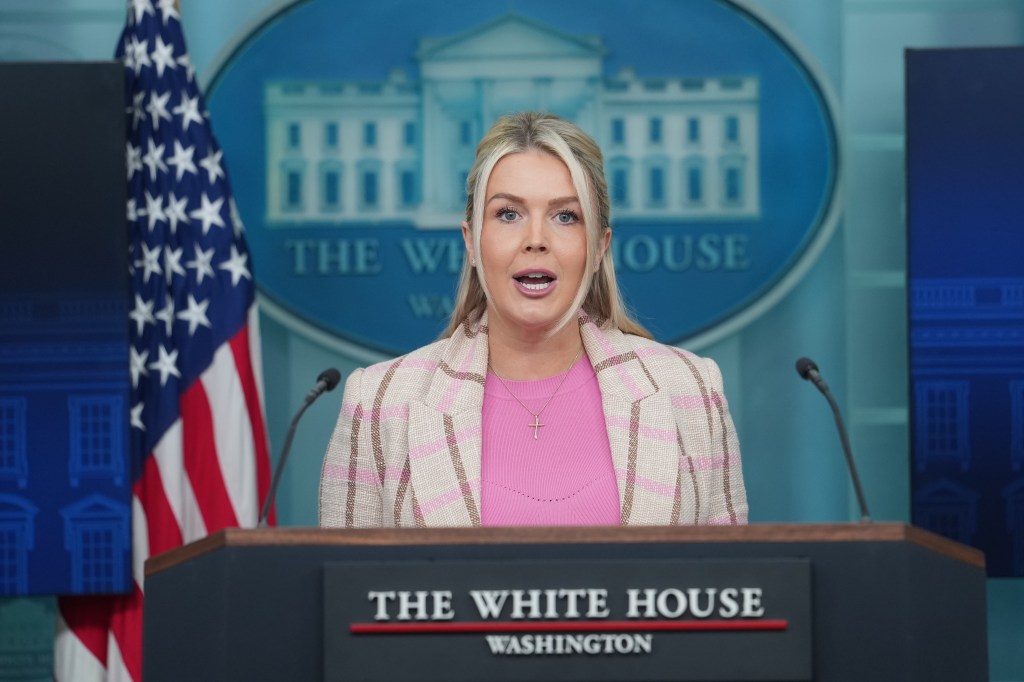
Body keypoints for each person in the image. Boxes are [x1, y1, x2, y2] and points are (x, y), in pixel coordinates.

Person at [319, 112, 747, 528]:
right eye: (509, 214)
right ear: (471, 242)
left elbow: (730, 573)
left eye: (566, 216)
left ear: (599, 247)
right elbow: (345, 577)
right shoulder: (379, 404)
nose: (536, 240)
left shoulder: (691, 390)